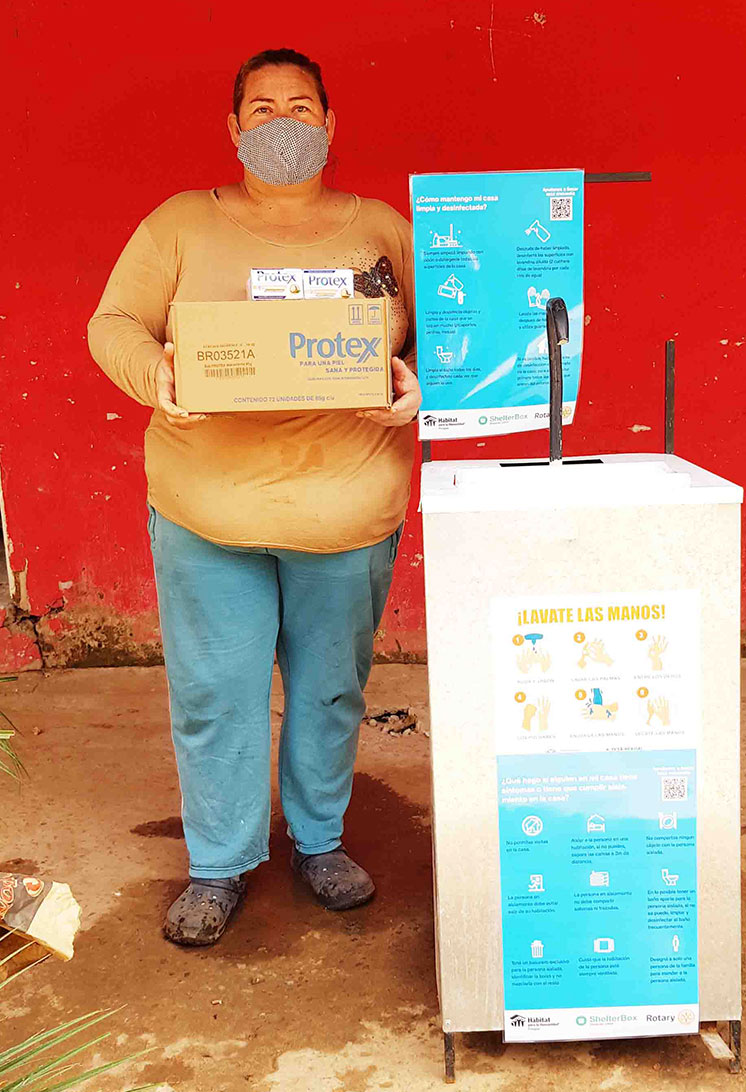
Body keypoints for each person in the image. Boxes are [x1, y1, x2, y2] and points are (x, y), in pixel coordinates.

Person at [87, 48, 421, 946]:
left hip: (346, 508)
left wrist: (418, 387)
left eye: (300, 106)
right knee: (214, 694)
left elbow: (445, 346)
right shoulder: (182, 225)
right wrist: (152, 371)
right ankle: (218, 862)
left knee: (328, 691)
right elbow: (111, 322)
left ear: (330, 124)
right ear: (234, 129)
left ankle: (318, 842)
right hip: (209, 510)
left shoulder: (384, 231)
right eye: (261, 107)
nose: (282, 122)